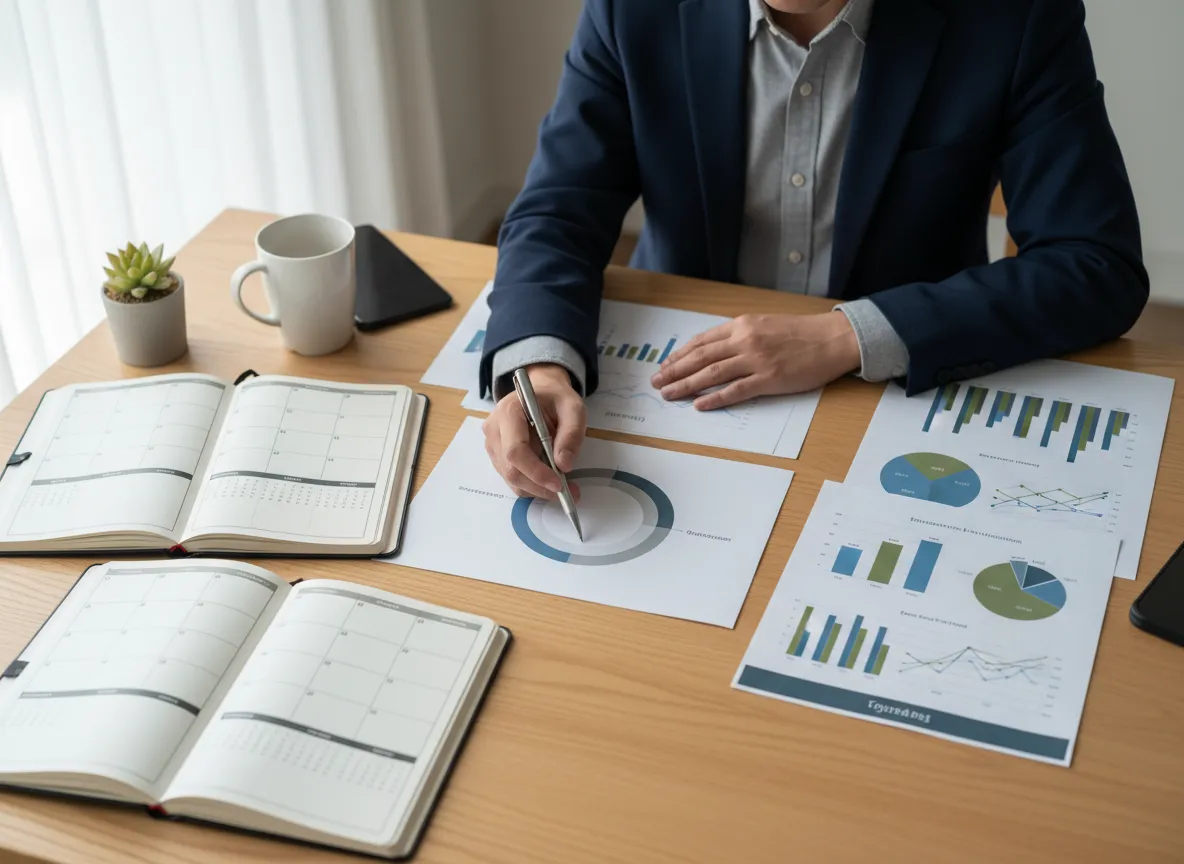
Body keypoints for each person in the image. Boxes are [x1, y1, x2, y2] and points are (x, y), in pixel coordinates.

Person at [479, 0, 1147, 502]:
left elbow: (1095, 265)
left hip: (896, 394)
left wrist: (845, 337)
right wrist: (538, 368)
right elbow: (556, 210)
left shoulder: (1015, 16)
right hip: (681, 383)